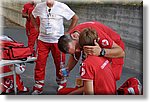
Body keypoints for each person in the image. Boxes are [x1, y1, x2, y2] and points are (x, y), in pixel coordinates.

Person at [30, 0, 78, 95]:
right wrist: (36, 26)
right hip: (42, 40)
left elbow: (75, 18)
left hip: (57, 41)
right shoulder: (39, 7)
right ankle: (38, 86)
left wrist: (68, 32)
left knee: (60, 64)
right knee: (40, 63)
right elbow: (32, 15)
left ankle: (62, 83)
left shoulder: (62, 6)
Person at [58, 21, 125, 82]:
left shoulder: (93, 34)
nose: (78, 50)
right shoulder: (72, 38)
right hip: (99, 49)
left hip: (114, 47)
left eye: (77, 47)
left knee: (109, 79)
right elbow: (75, 55)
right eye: (75, 50)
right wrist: (68, 69)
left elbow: (121, 53)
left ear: (75, 36)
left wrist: (101, 52)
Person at [58, 28, 117, 95]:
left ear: (84, 47)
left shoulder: (87, 64)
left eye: (77, 47)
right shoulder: (104, 57)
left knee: (61, 93)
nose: (77, 51)